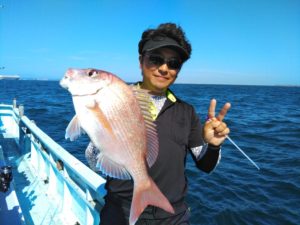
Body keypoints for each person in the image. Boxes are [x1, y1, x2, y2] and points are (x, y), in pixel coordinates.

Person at [94, 22, 231, 225]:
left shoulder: (187, 112)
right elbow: (93, 158)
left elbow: (205, 165)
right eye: (156, 59)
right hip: (120, 211)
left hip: (171, 216)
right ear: (141, 61)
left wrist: (213, 145)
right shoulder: (114, 100)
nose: (164, 68)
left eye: (173, 63)